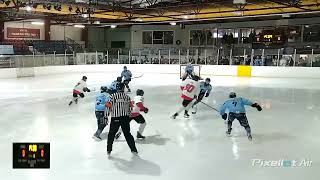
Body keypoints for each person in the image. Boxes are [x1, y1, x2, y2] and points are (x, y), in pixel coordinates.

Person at [106, 83, 138, 156]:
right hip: (125, 118)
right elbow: (130, 108)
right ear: (123, 88)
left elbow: (108, 106)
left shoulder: (112, 96)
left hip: (115, 118)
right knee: (127, 134)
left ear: (117, 88)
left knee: (111, 134)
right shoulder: (127, 97)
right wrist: (128, 115)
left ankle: (109, 150)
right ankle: (134, 150)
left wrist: (106, 115)